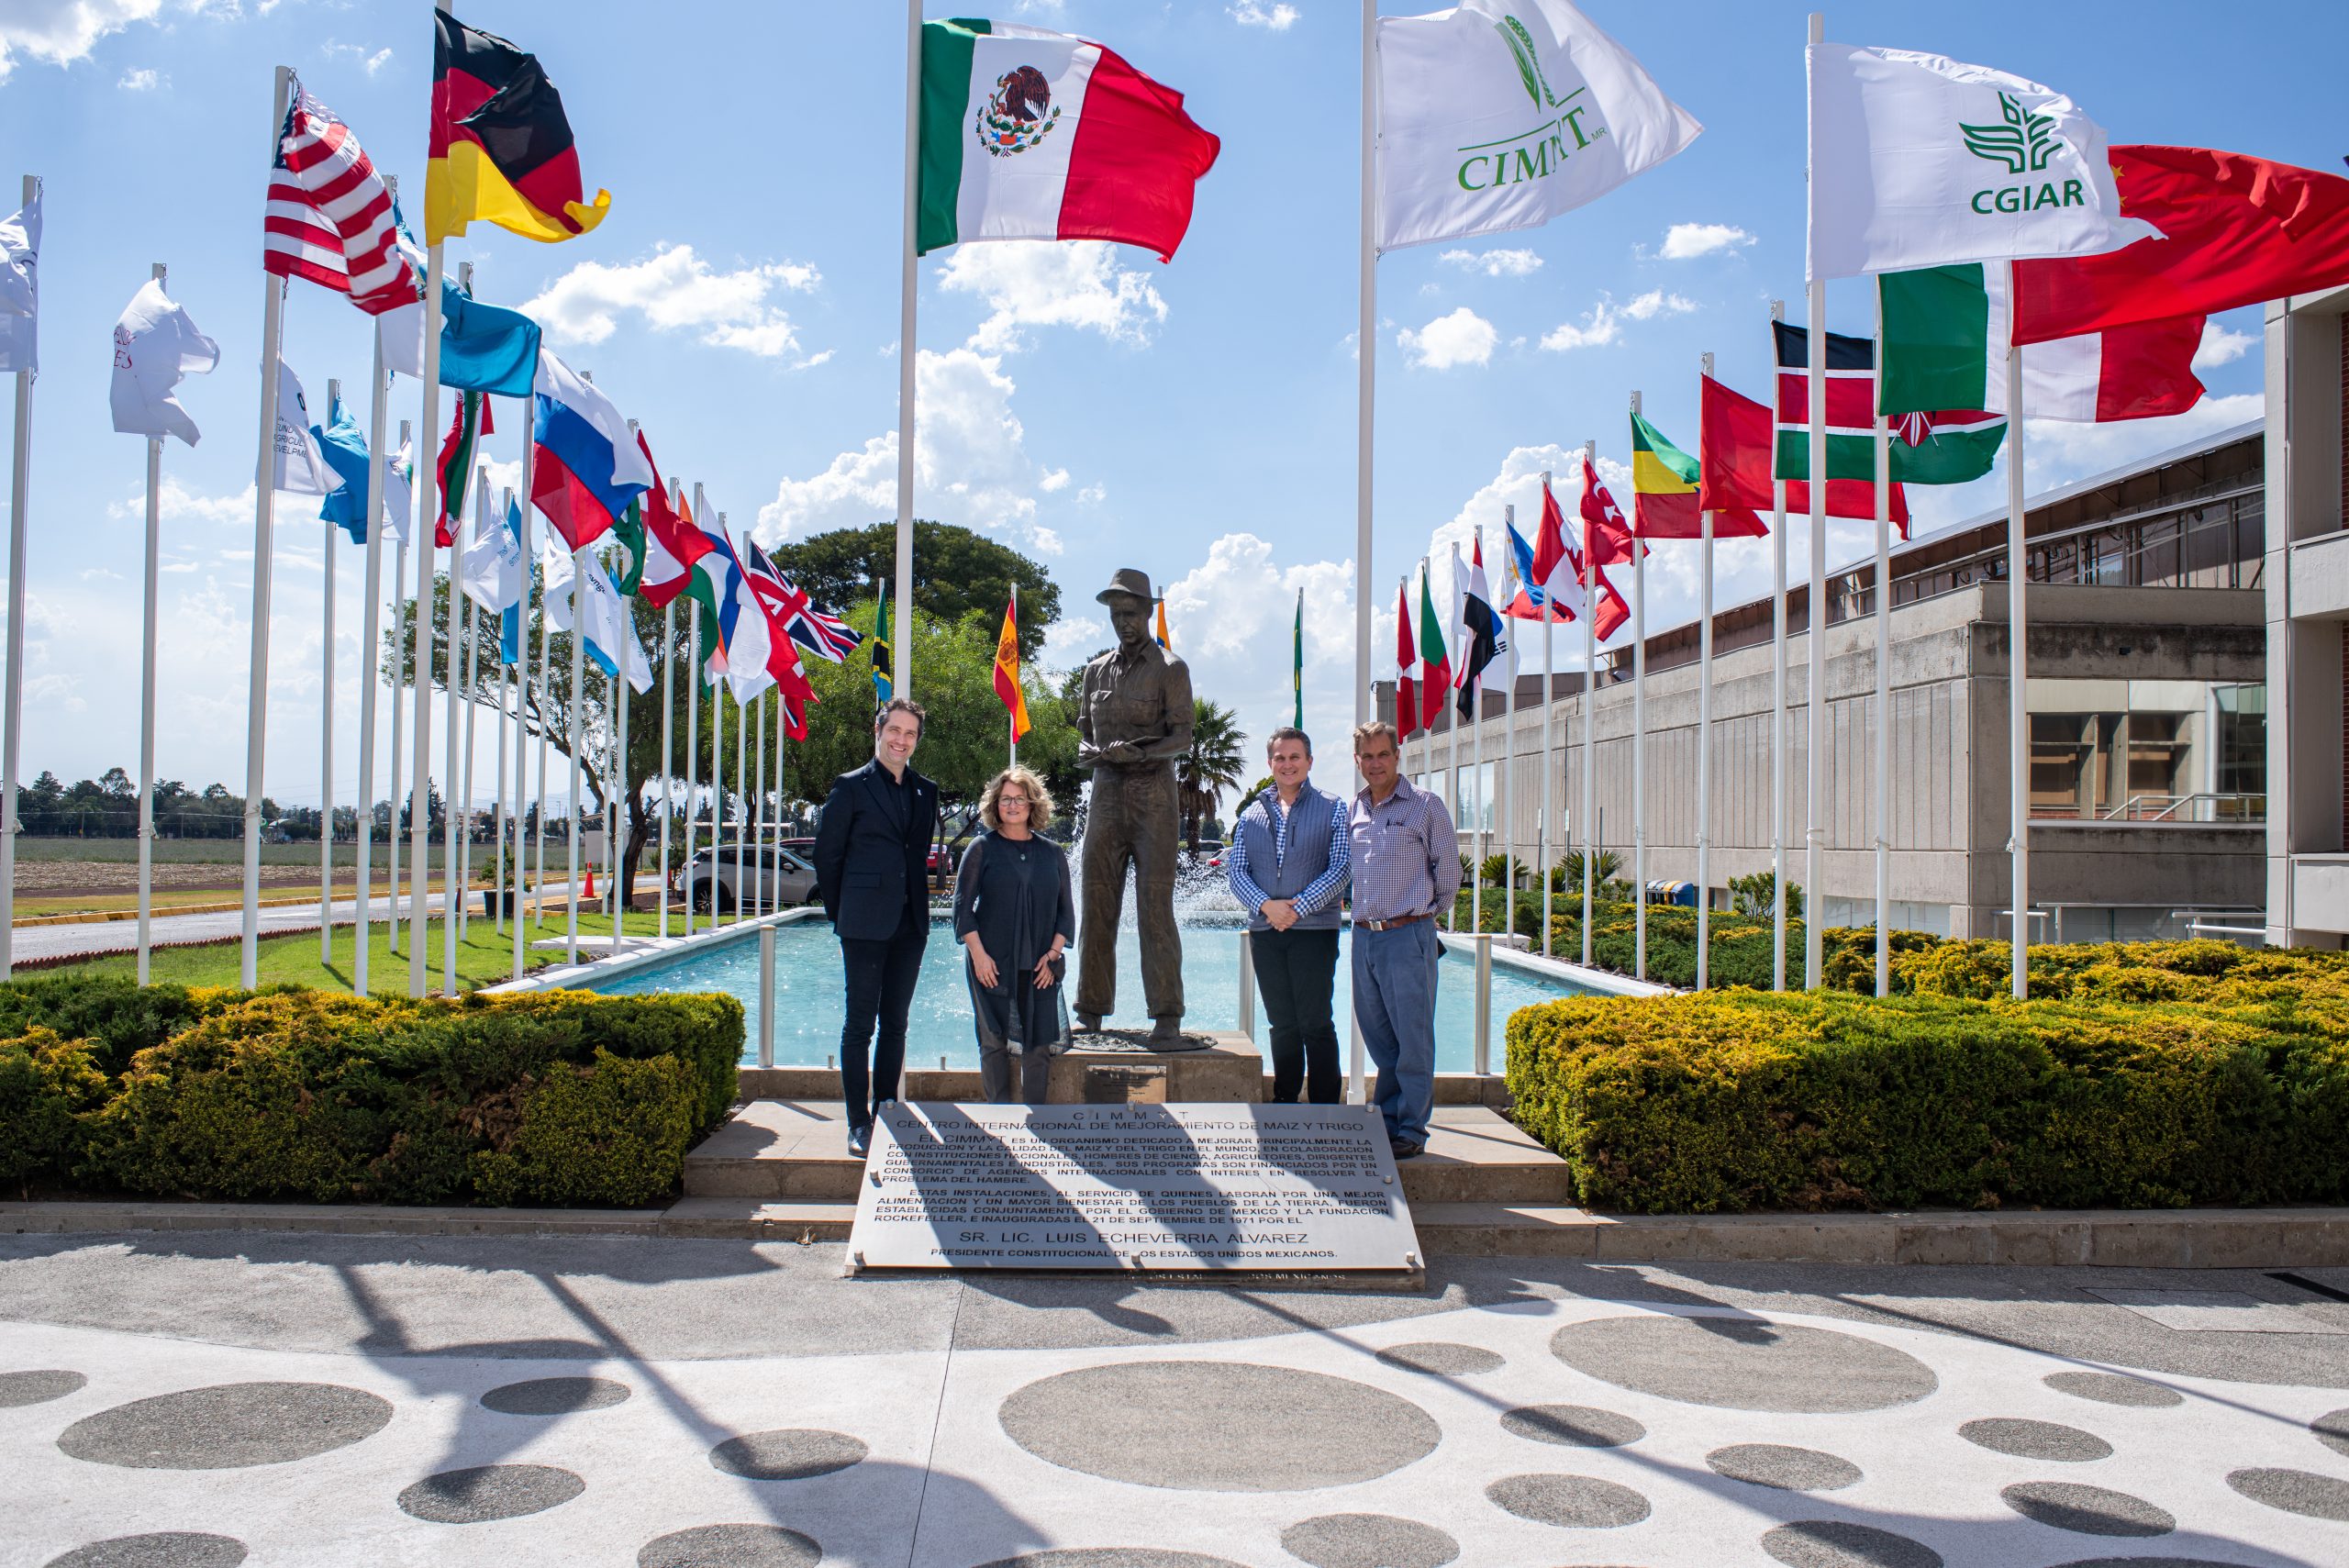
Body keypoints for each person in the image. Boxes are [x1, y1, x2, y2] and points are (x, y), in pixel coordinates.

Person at [812, 698, 937, 1158]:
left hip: (910, 924)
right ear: (878, 729)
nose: (901, 740)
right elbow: (828, 857)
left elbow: (915, 853)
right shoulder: (850, 788)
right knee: (859, 1025)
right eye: (895, 730)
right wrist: (842, 914)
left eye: (910, 734)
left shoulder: (927, 790)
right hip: (863, 924)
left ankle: (887, 1108)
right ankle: (858, 1124)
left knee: (896, 1024)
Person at [1074, 568, 1194, 1041]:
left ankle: (1166, 1016)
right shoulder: (1094, 671)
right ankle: (1090, 1010)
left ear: (1149, 611)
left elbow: (1183, 736)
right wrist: (1091, 754)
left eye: (1131, 612)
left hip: (1154, 800)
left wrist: (1142, 753)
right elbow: (1085, 734)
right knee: (1096, 903)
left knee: (1155, 908)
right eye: (1116, 614)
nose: (1124, 621)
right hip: (1105, 795)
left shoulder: (1171, 668)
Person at [1345, 719, 1460, 1160]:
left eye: (1383, 755)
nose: (1375, 764)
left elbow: (1448, 875)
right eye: (1367, 757)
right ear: (1358, 761)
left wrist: (1419, 921)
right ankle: (1389, 1120)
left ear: (1397, 756)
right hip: (1363, 939)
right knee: (1379, 1037)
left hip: (1407, 934)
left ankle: (1411, 1128)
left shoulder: (1425, 806)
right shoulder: (1354, 811)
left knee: (1412, 1036)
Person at [1227, 727, 1351, 1104]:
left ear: (1309, 762)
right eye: (1280, 758)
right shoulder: (1252, 813)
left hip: (1314, 931)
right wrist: (1268, 907)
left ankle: (1326, 1104)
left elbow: (1341, 867)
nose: (1287, 764)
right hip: (1266, 931)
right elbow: (1237, 872)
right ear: (1270, 763)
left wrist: (1296, 908)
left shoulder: (1333, 806)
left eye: (1295, 757)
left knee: (1315, 1022)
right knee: (1282, 1023)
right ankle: (1285, 1098)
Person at [953, 766, 1075, 1106]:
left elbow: (1066, 913)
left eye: (1019, 799)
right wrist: (979, 955)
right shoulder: (981, 848)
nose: (1012, 805)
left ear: (1032, 804)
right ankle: (1000, 1117)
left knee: (1038, 1044)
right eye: (1005, 799)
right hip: (990, 962)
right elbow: (963, 911)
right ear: (995, 804)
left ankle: (1038, 1121)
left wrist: (1052, 956)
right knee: (993, 1040)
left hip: (1041, 964)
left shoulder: (1052, 853)